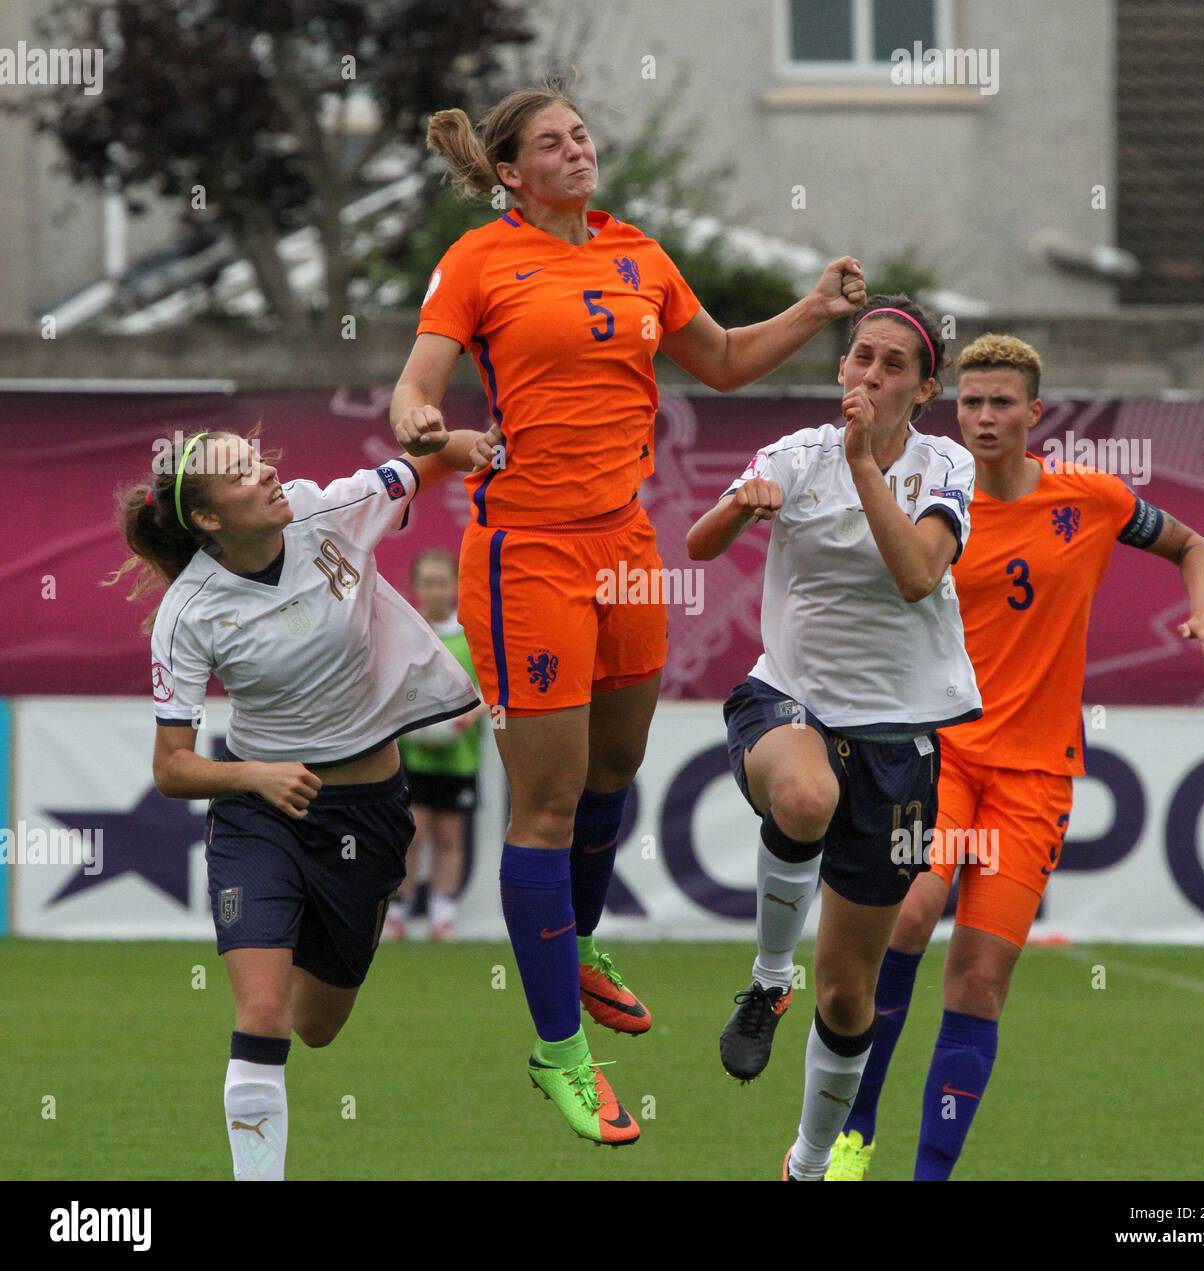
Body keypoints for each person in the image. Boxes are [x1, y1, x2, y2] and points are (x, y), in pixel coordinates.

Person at [390, 78, 867, 1147]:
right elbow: (412, 391)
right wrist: (424, 421)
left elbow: (727, 359)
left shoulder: (638, 251)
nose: (576, 149)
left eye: (581, 134)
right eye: (552, 142)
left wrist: (816, 307)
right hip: (527, 557)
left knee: (616, 771)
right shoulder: (480, 259)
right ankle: (559, 1049)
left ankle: (579, 936)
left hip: (626, 546)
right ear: (510, 172)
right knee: (545, 810)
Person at [828, 333, 1204, 1181]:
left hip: (1035, 774)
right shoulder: (933, 497)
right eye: (972, 402)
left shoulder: (1089, 499)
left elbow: (1192, 544)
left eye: (1001, 403)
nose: (984, 417)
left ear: (1034, 414)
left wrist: (1203, 606)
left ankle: (929, 1176)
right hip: (938, 752)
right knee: (907, 917)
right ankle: (853, 1128)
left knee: (980, 980)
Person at [108, 423, 492, 1180]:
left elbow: (432, 459)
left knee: (316, 1026)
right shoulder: (190, 612)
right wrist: (256, 776)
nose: (269, 473)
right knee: (260, 1015)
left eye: (259, 460)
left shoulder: (333, 510)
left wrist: (474, 444)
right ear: (211, 519)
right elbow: (173, 767)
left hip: (369, 811)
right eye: (244, 474)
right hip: (262, 815)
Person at [686, 295, 981, 1181]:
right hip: (789, 700)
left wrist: (860, 465)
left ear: (923, 387)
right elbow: (699, 543)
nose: (868, 375)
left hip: (897, 741)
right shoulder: (796, 452)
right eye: (859, 357)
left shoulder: (945, 465)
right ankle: (772, 978)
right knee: (807, 796)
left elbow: (917, 572)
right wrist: (743, 506)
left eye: (893, 365)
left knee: (852, 992)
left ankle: (808, 1164)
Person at [389, 547, 487, 941]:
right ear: (415, 587)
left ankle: (443, 910)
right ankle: (400, 906)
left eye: (442, 582)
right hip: (412, 754)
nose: (434, 590)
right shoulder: (407, 632)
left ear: (456, 588)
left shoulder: (471, 636)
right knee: (411, 831)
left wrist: (470, 717)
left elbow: (490, 691)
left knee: (449, 835)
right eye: (427, 582)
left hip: (459, 756)